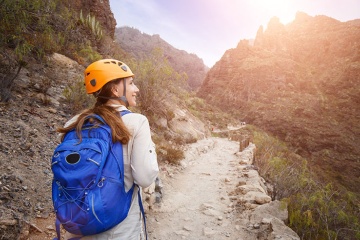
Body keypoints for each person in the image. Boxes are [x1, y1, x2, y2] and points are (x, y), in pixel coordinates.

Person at [57, 59, 159, 240]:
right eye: (131, 83)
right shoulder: (136, 122)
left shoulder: (73, 123)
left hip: (78, 225)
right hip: (119, 229)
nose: (136, 89)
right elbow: (145, 178)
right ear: (115, 89)